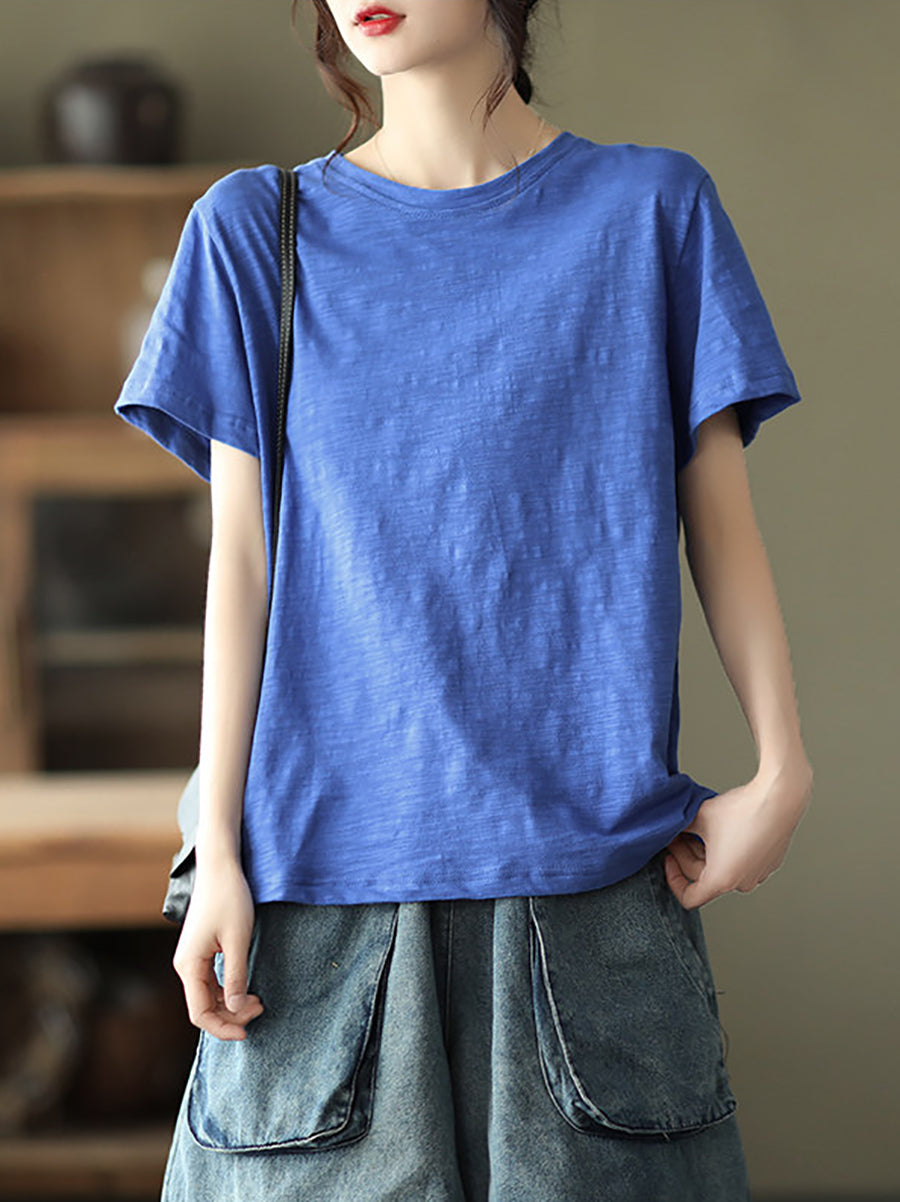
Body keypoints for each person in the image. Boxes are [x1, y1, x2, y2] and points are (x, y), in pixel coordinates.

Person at [113, 1, 813, 1198]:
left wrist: (782, 766)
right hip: (315, 906)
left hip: (590, 902)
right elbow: (243, 566)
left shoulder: (652, 212)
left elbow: (720, 521)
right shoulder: (252, 230)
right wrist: (214, 845)